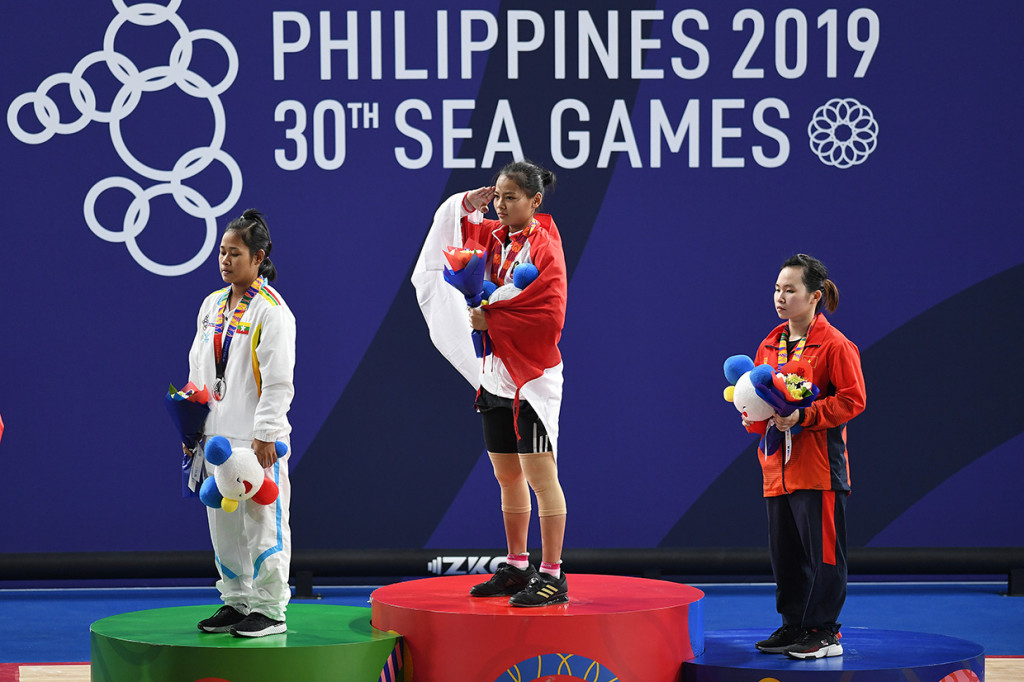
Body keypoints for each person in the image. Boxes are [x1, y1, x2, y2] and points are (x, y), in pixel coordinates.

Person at [412, 160, 570, 607]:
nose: (500, 205)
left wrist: (491, 319)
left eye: (510, 198)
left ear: (534, 201)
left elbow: (550, 313)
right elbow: (449, 238)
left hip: (531, 378)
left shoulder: (544, 246)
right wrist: (465, 203)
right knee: (507, 475)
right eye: (497, 196)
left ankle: (553, 574)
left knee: (541, 478)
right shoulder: (494, 235)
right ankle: (518, 566)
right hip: (494, 375)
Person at [744, 254, 866, 659]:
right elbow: (762, 401)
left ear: (815, 296)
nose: (780, 297)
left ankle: (824, 631)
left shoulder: (835, 345)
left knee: (824, 556)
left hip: (819, 469)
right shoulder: (768, 344)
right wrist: (752, 415)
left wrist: (804, 415)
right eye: (777, 289)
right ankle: (794, 624)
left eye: (790, 290)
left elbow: (852, 400)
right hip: (776, 469)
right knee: (786, 556)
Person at [185, 209, 296, 637]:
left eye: (235, 253)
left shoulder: (272, 311)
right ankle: (236, 601)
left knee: (263, 524)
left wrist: (266, 433)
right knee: (224, 526)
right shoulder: (212, 305)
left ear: (258, 257)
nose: (225, 260)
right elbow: (198, 370)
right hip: (216, 439)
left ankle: (270, 609)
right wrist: (192, 427)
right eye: (222, 252)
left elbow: (278, 380)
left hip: (255, 442)